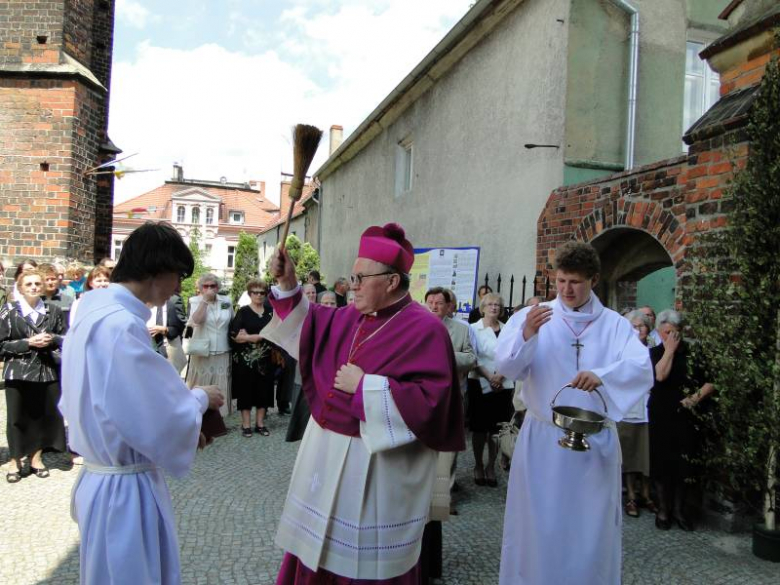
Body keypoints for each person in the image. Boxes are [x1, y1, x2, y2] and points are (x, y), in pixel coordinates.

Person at [264, 222, 465, 585]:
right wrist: (288, 283)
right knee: (315, 550)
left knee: (365, 564)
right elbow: (309, 323)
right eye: (351, 278)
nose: (351, 287)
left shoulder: (426, 329)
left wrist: (365, 388)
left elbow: (433, 402)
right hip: (324, 455)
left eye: (359, 278)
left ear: (391, 281)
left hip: (378, 466)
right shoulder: (350, 315)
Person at [60, 221, 224, 585]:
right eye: (178, 275)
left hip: (101, 477)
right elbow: (156, 413)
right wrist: (200, 399)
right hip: (124, 492)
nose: (179, 287)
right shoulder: (121, 326)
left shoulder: (89, 313)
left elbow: (119, 405)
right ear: (156, 270)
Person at [495, 241, 653, 585]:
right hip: (542, 442)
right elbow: (506, 367)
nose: (566, 289)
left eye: (575, 282)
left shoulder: (615, 325)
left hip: (594, 444)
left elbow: (641, 369)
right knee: (539, 526)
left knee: (589, 530)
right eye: (561, 280)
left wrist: (603, 376)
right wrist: (527, 334)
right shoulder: (534, 317)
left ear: (593, 280)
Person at [649, 309, 714, 531]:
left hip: (686, 415)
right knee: (662, 463)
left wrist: (695, 398)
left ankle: (679, 510)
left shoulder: (694, 353)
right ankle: (663, 510)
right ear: (659, 332)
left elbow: (711, 381)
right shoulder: (655, 353)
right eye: (667, 332)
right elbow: (660, 376)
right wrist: (669, 351)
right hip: (661, 414)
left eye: (675, 333)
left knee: (684, 464)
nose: (671, 337)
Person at [1, 268, 67, 483]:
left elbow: (66, 339)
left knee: (42, 417)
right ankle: (14, 460)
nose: (34, 287)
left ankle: (36, 458)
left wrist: (52, 339)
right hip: (18, 371)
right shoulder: (9, 310)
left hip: (46, 370)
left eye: (37, 284)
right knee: (17, 418)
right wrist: (26, 343)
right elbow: (1, 345)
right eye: (28, 284)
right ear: (20, 287)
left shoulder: (54, 310)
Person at [468, 292, 515, 487]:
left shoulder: (508, 329)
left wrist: (500, 376)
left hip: (502, 384)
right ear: (483, 307)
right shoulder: (472, 329)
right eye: (490, 304)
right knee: (480, 428)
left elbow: (512, 355)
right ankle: (478, 464)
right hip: (479, 381)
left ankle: (491, 466)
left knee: (497, 429)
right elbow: (472, 355)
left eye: (497, 304)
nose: (494, 307)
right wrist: (489, 376)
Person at [618, 310, 657, 519]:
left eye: (641, 326)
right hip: (630, 409)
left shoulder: (653, 350)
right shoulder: (623, 352)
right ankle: (631, 495)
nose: (637, 330)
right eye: (633, 326)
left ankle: (646, 494)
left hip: (648, 407)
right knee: (630, 453)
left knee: (646, 455)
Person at [230, 279, 275, 437]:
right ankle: (246, 424)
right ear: (249, 294)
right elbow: (235, 336)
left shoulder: (270, 312)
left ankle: (260, 424)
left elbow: (275, 333)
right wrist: (253, 338)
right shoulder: (243, 312)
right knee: (246, 390)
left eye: (262, 292)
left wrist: (249, 336)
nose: (259, 295)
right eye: (255, 292)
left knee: (264, 390)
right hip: (246, 361)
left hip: (265, 359)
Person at [186, 274, 234, 416]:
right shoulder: (194, 301)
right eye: (206, 286)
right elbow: (196, 321)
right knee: (201, 381)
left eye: (212, 286)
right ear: (200, 288)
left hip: (223, 349)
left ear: (218, 287)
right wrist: (205, 301)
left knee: (221, 381)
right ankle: (198, 411)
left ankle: (220, 415)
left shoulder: (226, 301)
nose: (209, 289)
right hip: (202, 350)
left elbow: (232, 320)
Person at [147, 292, 188, 374]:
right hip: (146, 346)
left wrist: (164, 329)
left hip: (166, 347)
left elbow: (179, 327)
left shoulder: (173, 300)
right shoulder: (140, 299)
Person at [39, 263, 74, 329]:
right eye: (47, 279)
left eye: (53, 279)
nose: (50, 283)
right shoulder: (36, 300)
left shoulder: (68, 300)